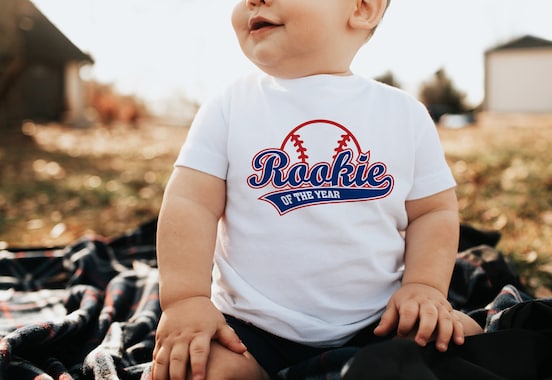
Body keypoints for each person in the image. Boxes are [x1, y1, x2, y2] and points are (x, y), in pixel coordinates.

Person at [151, 0, 483, 379]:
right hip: (252, 327)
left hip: (377, 321)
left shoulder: (404, 114)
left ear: (362, 8)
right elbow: (190, 203)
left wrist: (424, 287)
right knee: (195, 370)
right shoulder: (229, 106)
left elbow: (433, 211)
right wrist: (186, 299)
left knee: (457, 342)